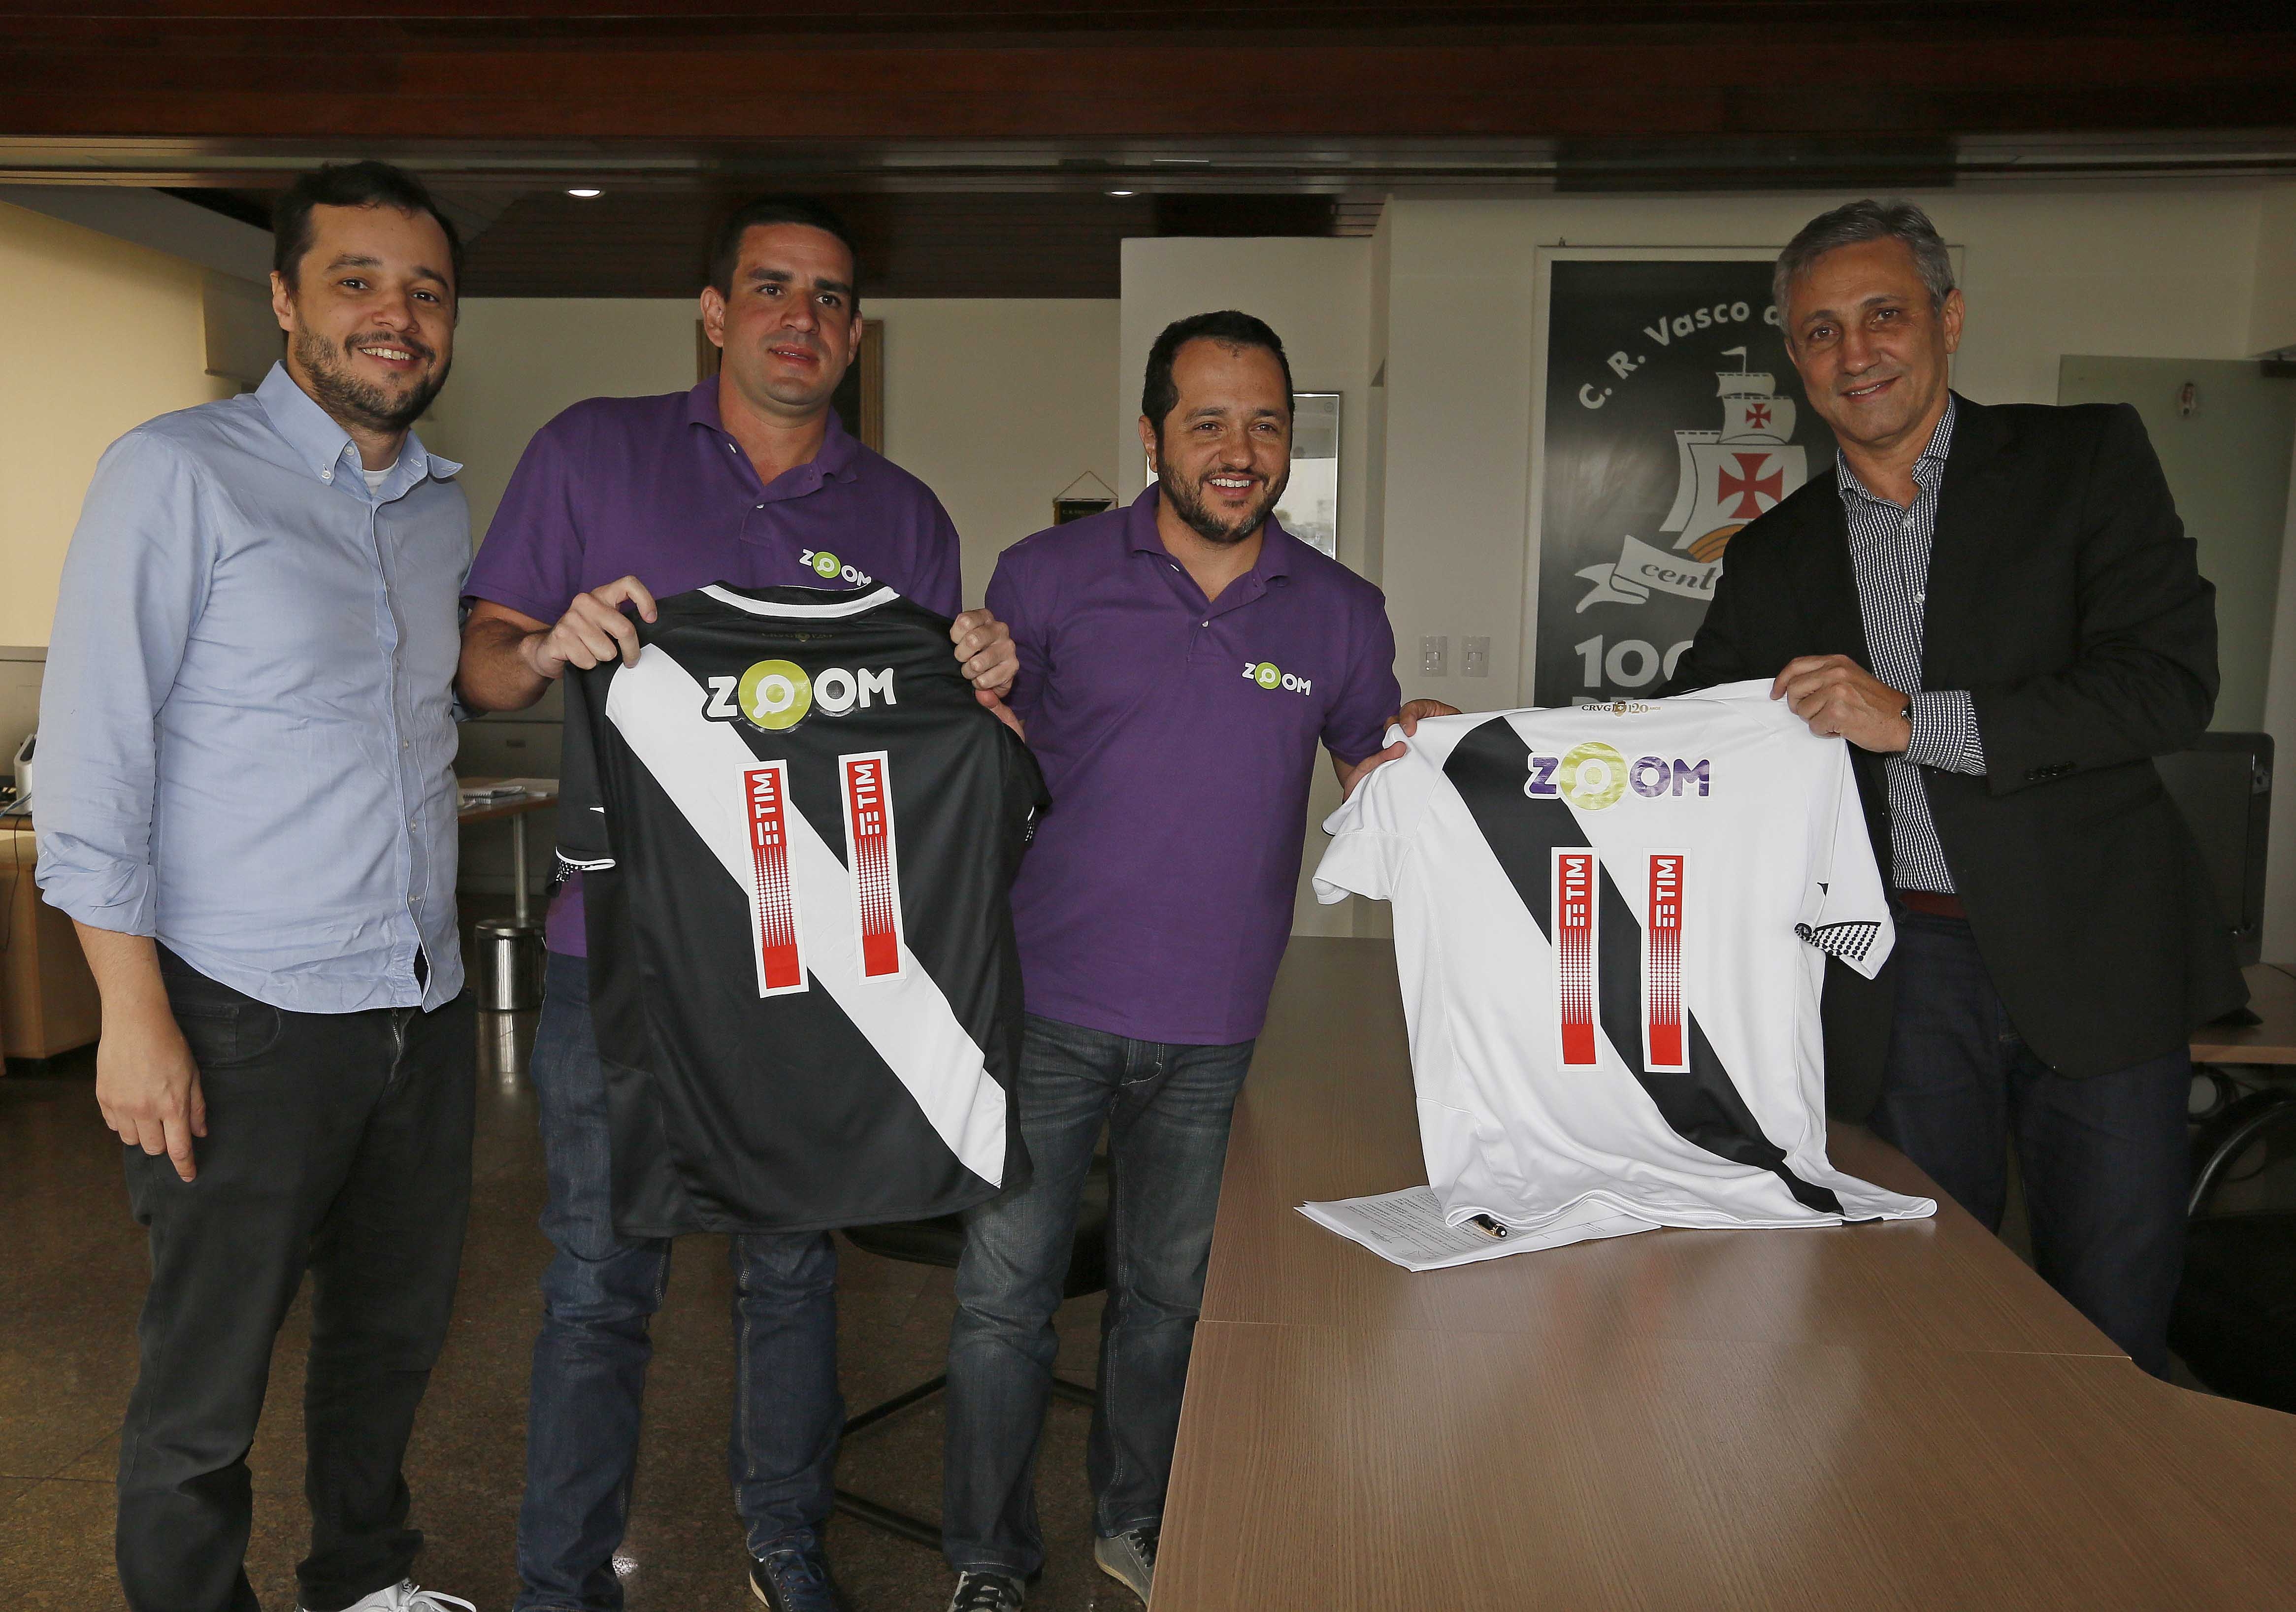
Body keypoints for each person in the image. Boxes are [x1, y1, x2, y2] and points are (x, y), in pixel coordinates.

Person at [456, 195, 1019, 1612]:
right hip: (620, 953)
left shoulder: (904, 515)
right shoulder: (593, 450)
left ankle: (785, 1540)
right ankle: (559, 1583)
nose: (799, 317)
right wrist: (548, 643)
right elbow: (482, 662)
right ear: (713, 313)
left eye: (828, 297)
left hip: (809, 957)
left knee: (794, 1267)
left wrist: (981, 672)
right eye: (770, 287)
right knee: (601, 1279)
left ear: (855, 335)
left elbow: (939, 736)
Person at [1662, 198, 2243, 1377]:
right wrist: (1477, 746)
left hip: (2096, 952)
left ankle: (2103, 1495)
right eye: (1820, 331)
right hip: (1897, 972)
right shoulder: (1774, 552)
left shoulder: (2084, 461)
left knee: (2112, 1316)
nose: (1856, 352)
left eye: (1883, 315)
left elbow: (2166, 685)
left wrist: (1913, 721)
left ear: (1949, 318)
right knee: (1920, 1315)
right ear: (1797, 360)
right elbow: (1690, 732)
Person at [940, 311, 1449, 1612]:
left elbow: (1373, 774)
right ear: (1152, 436)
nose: (1239, 450)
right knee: (1003, 1301)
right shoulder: (1046, 574)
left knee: (1166, 1300)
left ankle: (1134, 1520)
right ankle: (988, 1559)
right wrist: (974, 681)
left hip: (1216, 1027)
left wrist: (1437, 752)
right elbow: (986, 746)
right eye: (1208, 421)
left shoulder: (1339, 611)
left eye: (1265, 424)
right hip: (1043, 1004)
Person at [36, 162, 478, 1612]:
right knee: (206, 1376)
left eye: (425, 290)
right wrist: (131, 1016)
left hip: (418, 999)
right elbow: (91, 759)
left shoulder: (437, 509)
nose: (396, 315)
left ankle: (363, 1579)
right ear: (285, 298)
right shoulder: (175, 472)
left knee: (388, 1340)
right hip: (242, 1013)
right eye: (357, 280)